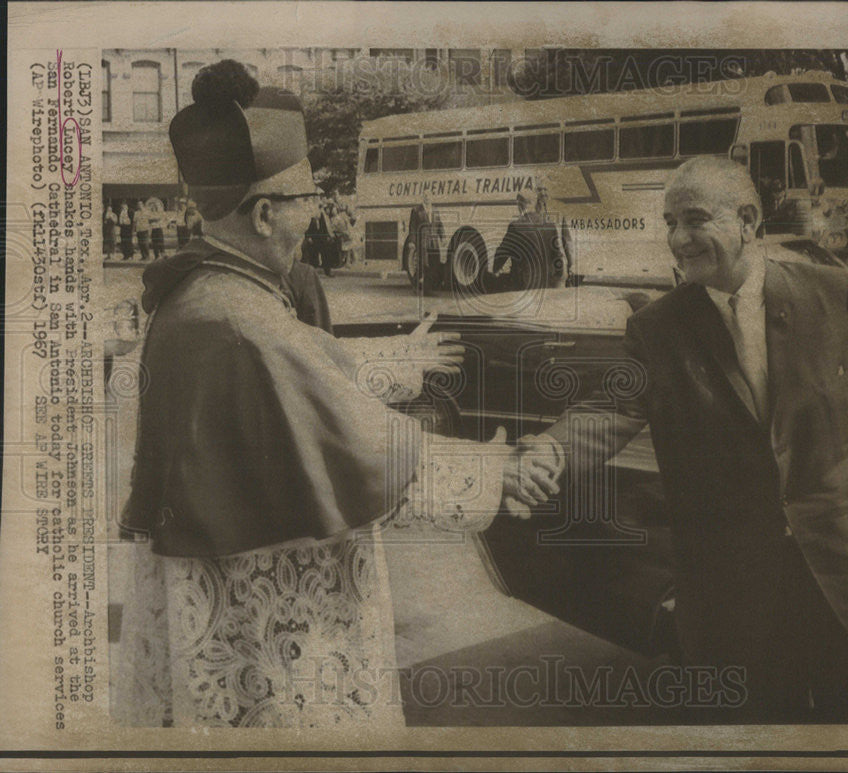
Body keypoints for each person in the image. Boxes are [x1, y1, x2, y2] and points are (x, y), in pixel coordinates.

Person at [112, 59, 553, 729]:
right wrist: (498, 470)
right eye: (306, 197)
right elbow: (360, 450)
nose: (315, 212)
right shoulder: (244, 322)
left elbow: (313, 384)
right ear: (265, 214)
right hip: (271, 645)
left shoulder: (202, 297)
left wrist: (399, 362)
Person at [509, 157, 848, 723]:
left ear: (748, 220)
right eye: (669, 222)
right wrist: (550, 450)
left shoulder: (835, 295)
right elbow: (609, 408)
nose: (678, 239)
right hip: (733, 609)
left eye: (694, 219)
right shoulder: (657, 329)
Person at [491, 190, 547, 292]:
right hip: (546, 279)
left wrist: (496, 269)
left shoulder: (516, 226)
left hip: (524, 282)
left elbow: (502, 253)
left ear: (521, 206)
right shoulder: (548, 224)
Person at [405, 193, 445, 293]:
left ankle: (428, 288)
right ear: (423, 197)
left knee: (434, 264)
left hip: (434, 242)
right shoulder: (416, 210)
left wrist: (442, 238)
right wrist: (412, 242)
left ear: (432, 197)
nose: (427, 198)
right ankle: (416, 287)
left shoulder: (435, 210)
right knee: (422, 265)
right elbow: (413, 227)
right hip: (422, 242)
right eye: (426, 196)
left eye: (429, 196)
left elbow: (439, 225)